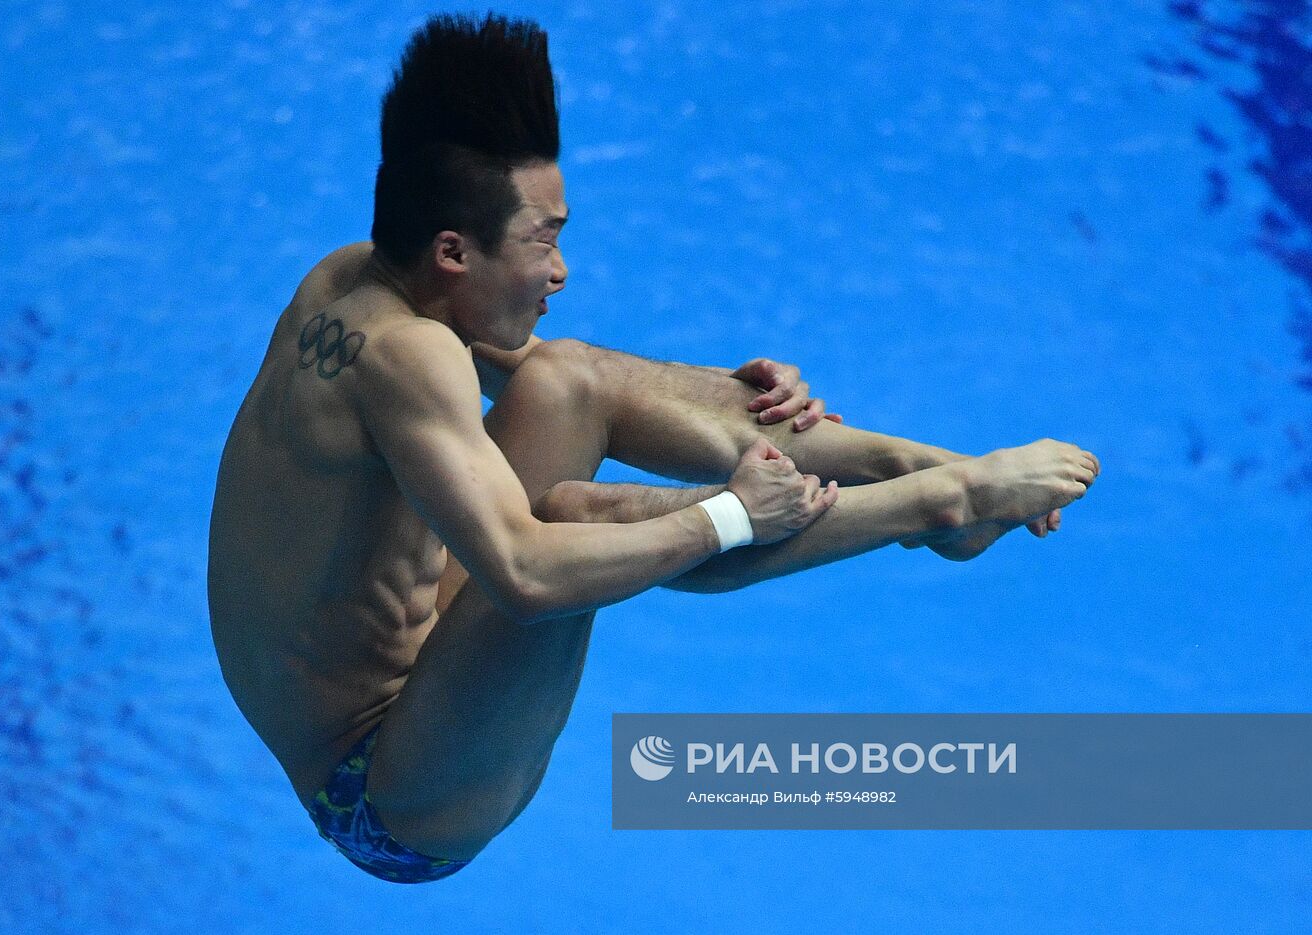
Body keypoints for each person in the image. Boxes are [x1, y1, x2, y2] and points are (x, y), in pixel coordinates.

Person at [206, 13, 1099, 885]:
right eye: (543, 241)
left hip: (428, 666)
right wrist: (731, 512)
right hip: (384, 790)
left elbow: (595, 386)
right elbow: (523, 575)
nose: (561, 268)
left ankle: (914, 463)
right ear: (452, 250)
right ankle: (936, 505)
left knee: (567, 376)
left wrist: (742, 391)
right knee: (573, 519)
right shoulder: (410, 357)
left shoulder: (351, 273)